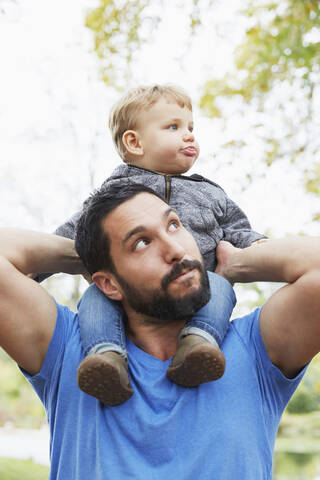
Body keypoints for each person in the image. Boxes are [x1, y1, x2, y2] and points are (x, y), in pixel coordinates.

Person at [0, 183, 319, 479]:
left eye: (174, 225)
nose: (177, 250)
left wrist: (238, 262)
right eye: (141, 242)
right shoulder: (70, 351)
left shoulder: (255, 350)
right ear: (108, 284)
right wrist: (80, 254)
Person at [46, 84, 266, 405]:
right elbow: (75, 231)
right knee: (95, 298)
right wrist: (38, 270)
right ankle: (106, 358)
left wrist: (260, 247)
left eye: (191, 127)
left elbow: (238, 230)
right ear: (134, 142)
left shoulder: (210, 193)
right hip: (131, 295)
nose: (189, 135)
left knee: (221, 287)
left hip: (198, 285)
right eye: (173, 127)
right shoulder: (115, 192)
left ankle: (199, 343)